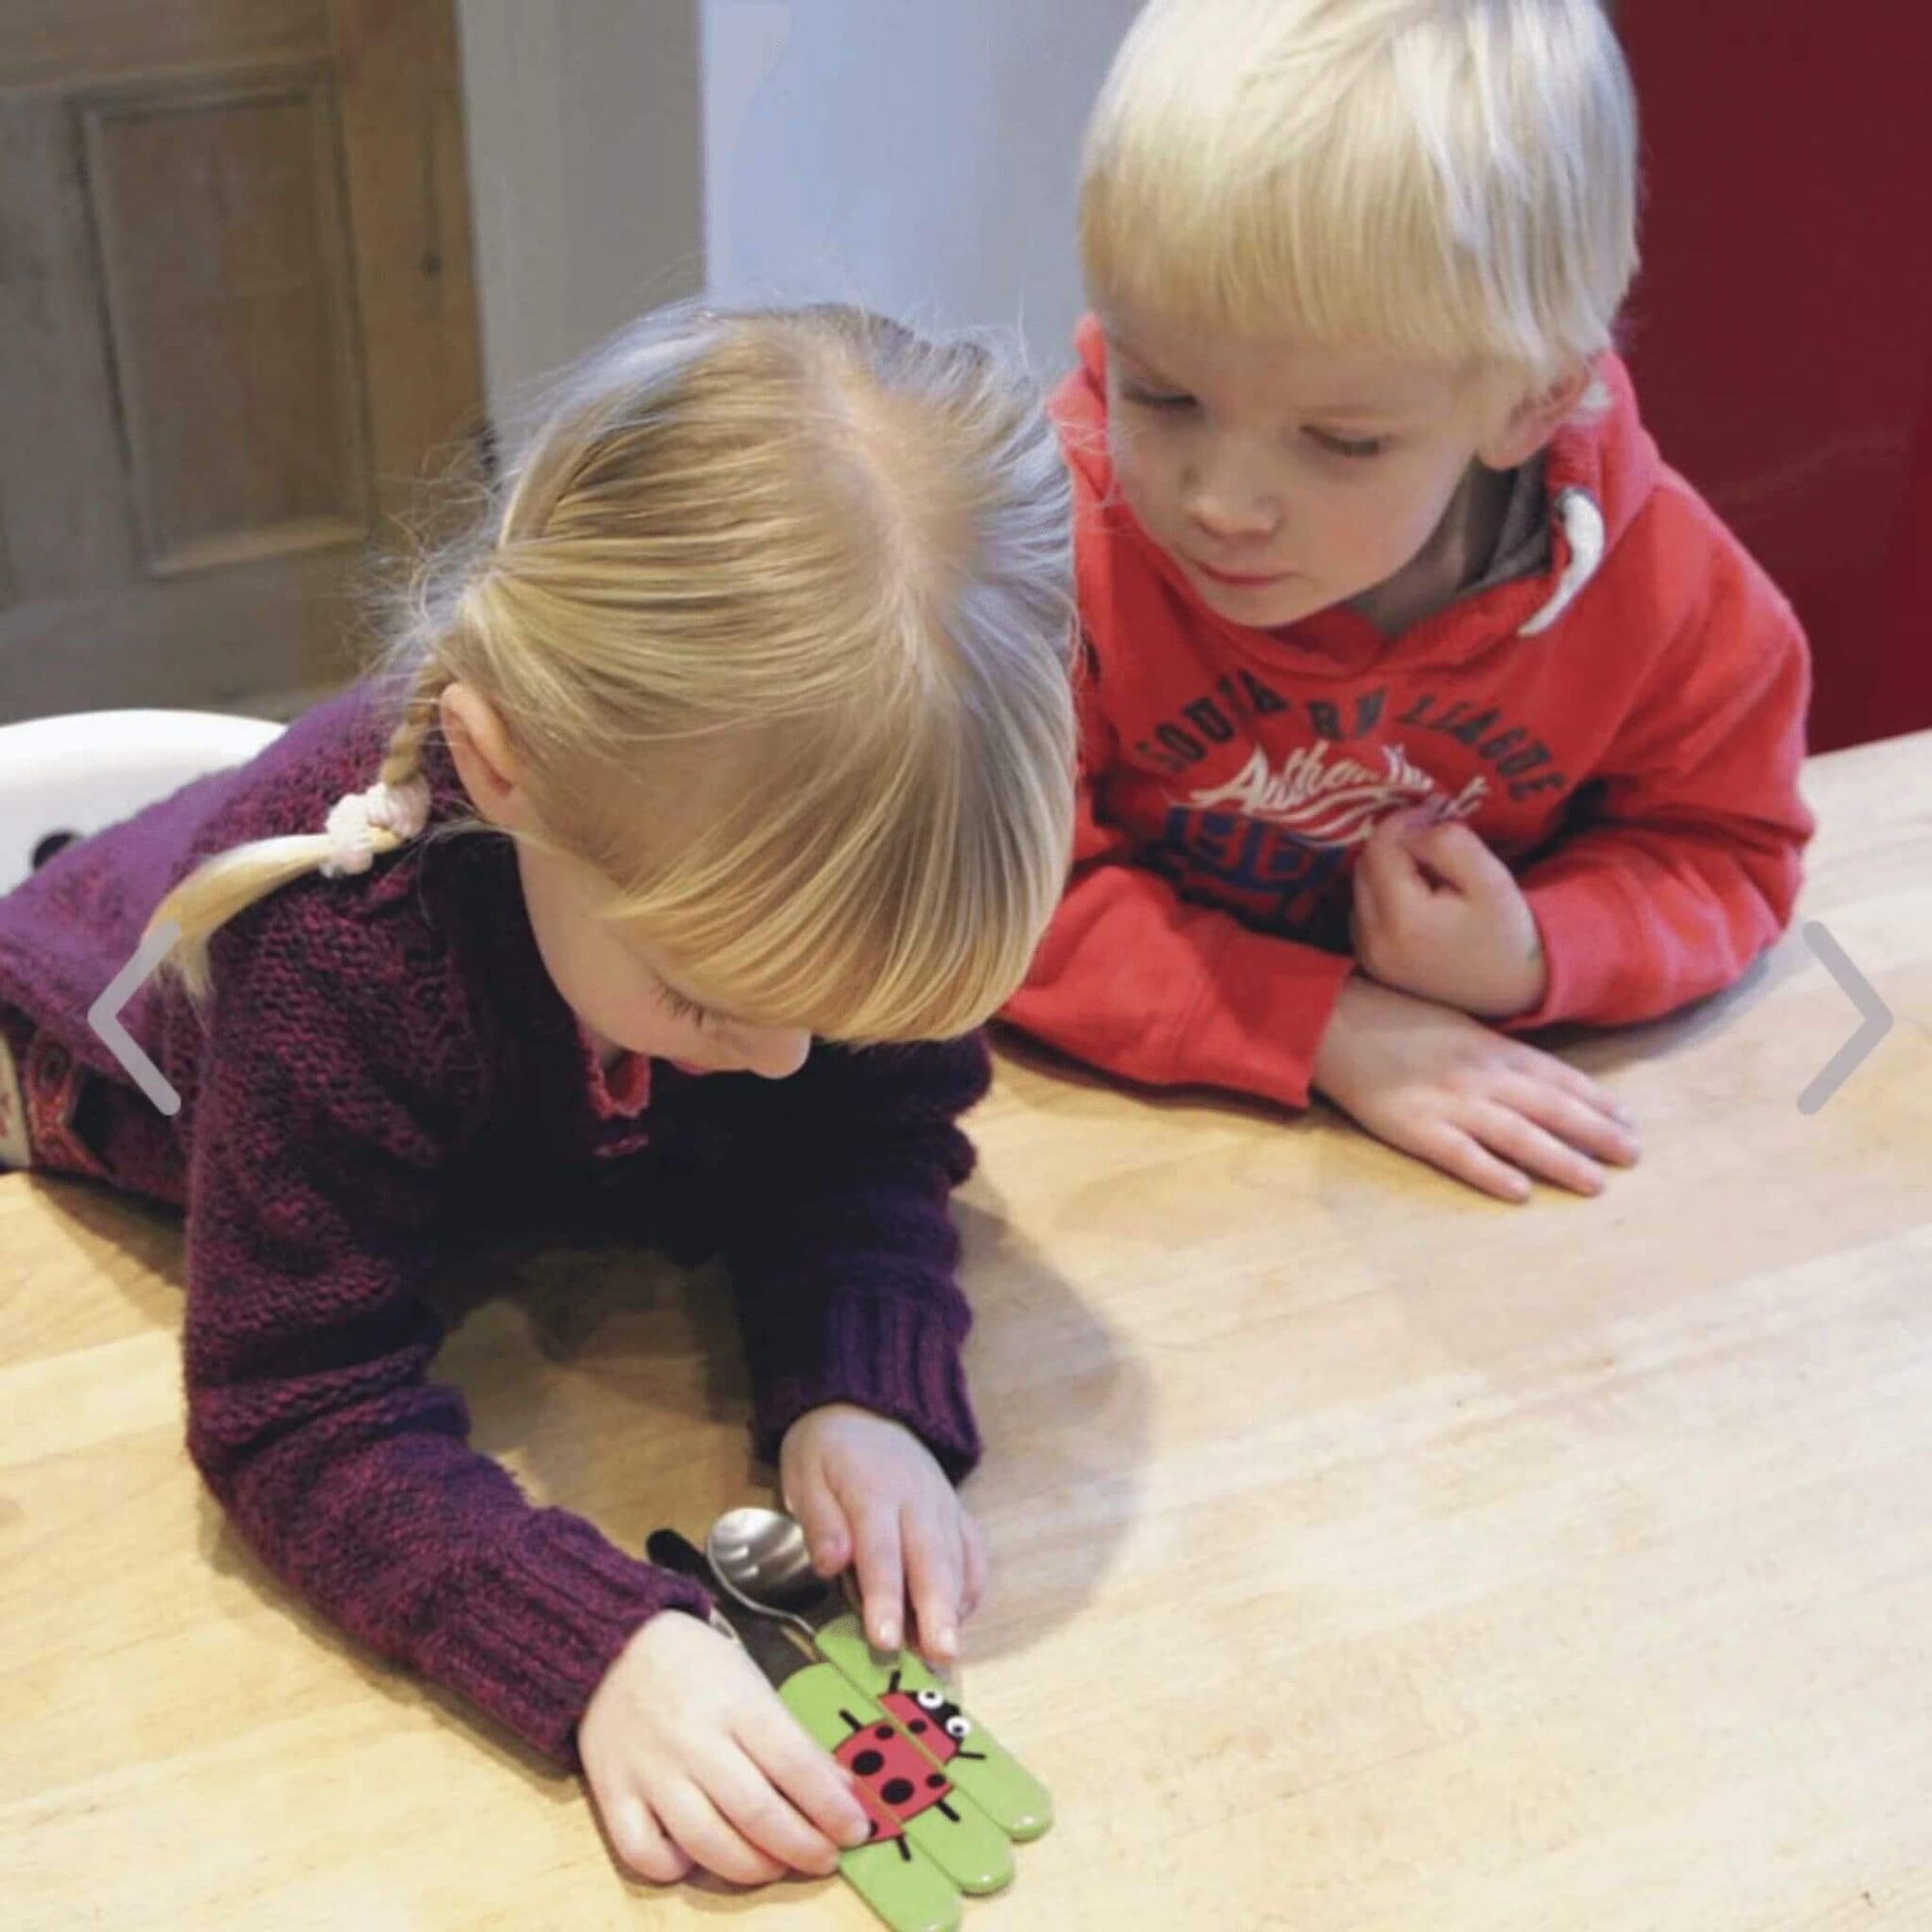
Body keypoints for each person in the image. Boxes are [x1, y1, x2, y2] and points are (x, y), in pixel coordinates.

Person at [0, 301, 1076, 1887]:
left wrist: (856, 1367)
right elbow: (292, 1403)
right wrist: (594, 1651)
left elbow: (864, 1129)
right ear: (503, 775)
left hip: (494, 1140)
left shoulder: (830, 849)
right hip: (90, 1084)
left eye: (830, 1017)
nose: (784, 1062)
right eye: (715, 999)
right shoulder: (346, 954)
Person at [1005, 0, 1814, 1203]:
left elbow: (1727, 850)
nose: (1219, 501)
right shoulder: (1033, 556)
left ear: (1531, 406)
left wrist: (1540, 947)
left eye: (1340, 441)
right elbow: (991, 892)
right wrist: (1328, 1026)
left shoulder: (1665, 597)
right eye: (1161, 393)